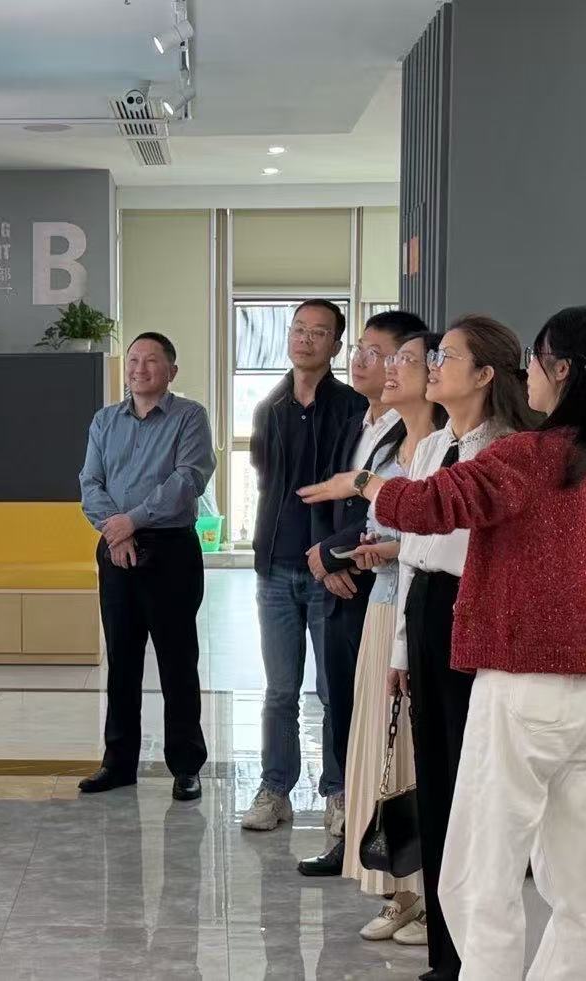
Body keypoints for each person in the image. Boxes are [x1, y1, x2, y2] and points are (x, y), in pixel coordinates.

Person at [300, 305, 586, 981]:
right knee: (580, 886)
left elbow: (427, 505)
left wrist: (363, 483)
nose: (530, 373)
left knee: (478, 876)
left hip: (521, 692)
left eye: (537, 359)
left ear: (562, 370)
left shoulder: (528, 455)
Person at [384, 317, 540, 976]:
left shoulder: (508, 452)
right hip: (426, 609)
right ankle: (445, 956)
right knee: (438, 784)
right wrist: (399, 651)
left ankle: (481, 955)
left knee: (478, 787)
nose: (432, 366)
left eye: (445, 356)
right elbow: (411, 555)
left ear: (484, 374)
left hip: (475, 613)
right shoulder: (430, 445)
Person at [333, 331, 445, 942]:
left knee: (413, 752)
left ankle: (428, 896)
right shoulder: (391, 445)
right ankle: (398, 889)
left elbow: (439, 541)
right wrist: (374, 548)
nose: (391, 368)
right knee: (379, 744)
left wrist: (391, 549)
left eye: (406, 360)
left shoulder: (444, 449)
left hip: (417, 609)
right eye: (390, 358)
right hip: (383, 607)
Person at [296, 311, 416, 875]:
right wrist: (324, 561)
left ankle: (377, 837)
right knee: (340, 707)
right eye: (361, 349)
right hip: (340, 583)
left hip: (379, 585)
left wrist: (335, 554)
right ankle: (350, 829)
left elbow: (387, 511)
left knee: (375, 719)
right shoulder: (356, 421)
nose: (363, 360)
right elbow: (327, 495)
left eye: (378, 352)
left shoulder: (413, 432)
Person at [242, 300, 367, 831]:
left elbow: (349, 496)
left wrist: (331, 554)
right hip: (275, 567)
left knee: (333, 689)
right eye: (298, 330)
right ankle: (275, 791)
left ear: (335, 345)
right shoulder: (269, 407)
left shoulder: (353, 409)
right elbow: (266, 477)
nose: (305, 339)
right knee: (279, 690)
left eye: (318, 333)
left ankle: (339, 792)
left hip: (327, 570)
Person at [78, 332, 216, 802]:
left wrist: (131, 521)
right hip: (115, 548)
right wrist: (115, 531)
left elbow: (188, 480)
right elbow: (90, 481)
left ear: (171, 371)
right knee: (122, 659)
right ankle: (118, 763)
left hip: (170, 550)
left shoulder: (189, 417)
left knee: (178, 661)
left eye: (151, 360)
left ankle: (186, 766)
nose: (139, 368)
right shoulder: (104, 420)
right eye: (133, 359)